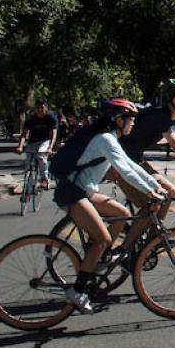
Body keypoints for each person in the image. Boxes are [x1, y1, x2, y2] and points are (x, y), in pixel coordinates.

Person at [53, 98, 166, 313]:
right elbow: (126, 171)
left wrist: (154, 185)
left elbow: (131, 165)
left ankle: (101, 257)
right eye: (130, 119)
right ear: (118, 119)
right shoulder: (104, 139)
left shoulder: (109, 138)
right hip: (72, 192)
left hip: (83, 190)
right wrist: (150, 191)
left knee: (122, 214)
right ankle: (77, 290)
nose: (133, 124)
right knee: (103, 239)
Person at [112, 78, 175, 254]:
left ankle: (151, 242)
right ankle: (125, 250)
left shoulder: (170, 118)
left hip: (133, 161)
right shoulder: (161, 117)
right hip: (120, 164)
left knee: (168, 191)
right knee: (153, 202)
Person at [16, 101, 59, 190]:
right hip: (32, 141)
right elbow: (24, 134)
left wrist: (50, 147)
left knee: (41, 156)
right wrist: (20, 146)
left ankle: (44, 179)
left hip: (45, 140)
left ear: (46, 108)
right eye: (38, 108)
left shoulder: (50, 118)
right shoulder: (31, 119)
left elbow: (53, 134)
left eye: (42, 108)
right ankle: (28, 189)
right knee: (28, 165)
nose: (40, 110)